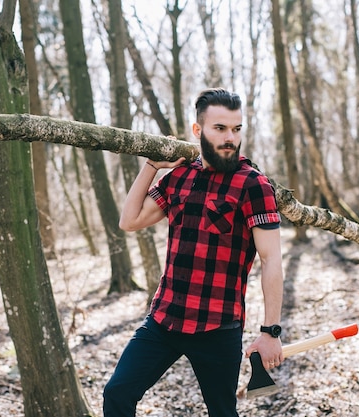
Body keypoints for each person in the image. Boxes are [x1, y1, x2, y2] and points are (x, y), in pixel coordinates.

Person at [103, 88, 284, 417]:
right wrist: (151, 166)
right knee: (117, 393)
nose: (230, 138)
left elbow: (272, 260)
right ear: (197, 131)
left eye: (236, 129)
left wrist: (271, 332)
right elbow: (129, 221)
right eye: (220, 129)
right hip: (164, 320)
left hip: (218, 327)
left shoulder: (253, 185)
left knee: (222, 412)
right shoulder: (180, 178)